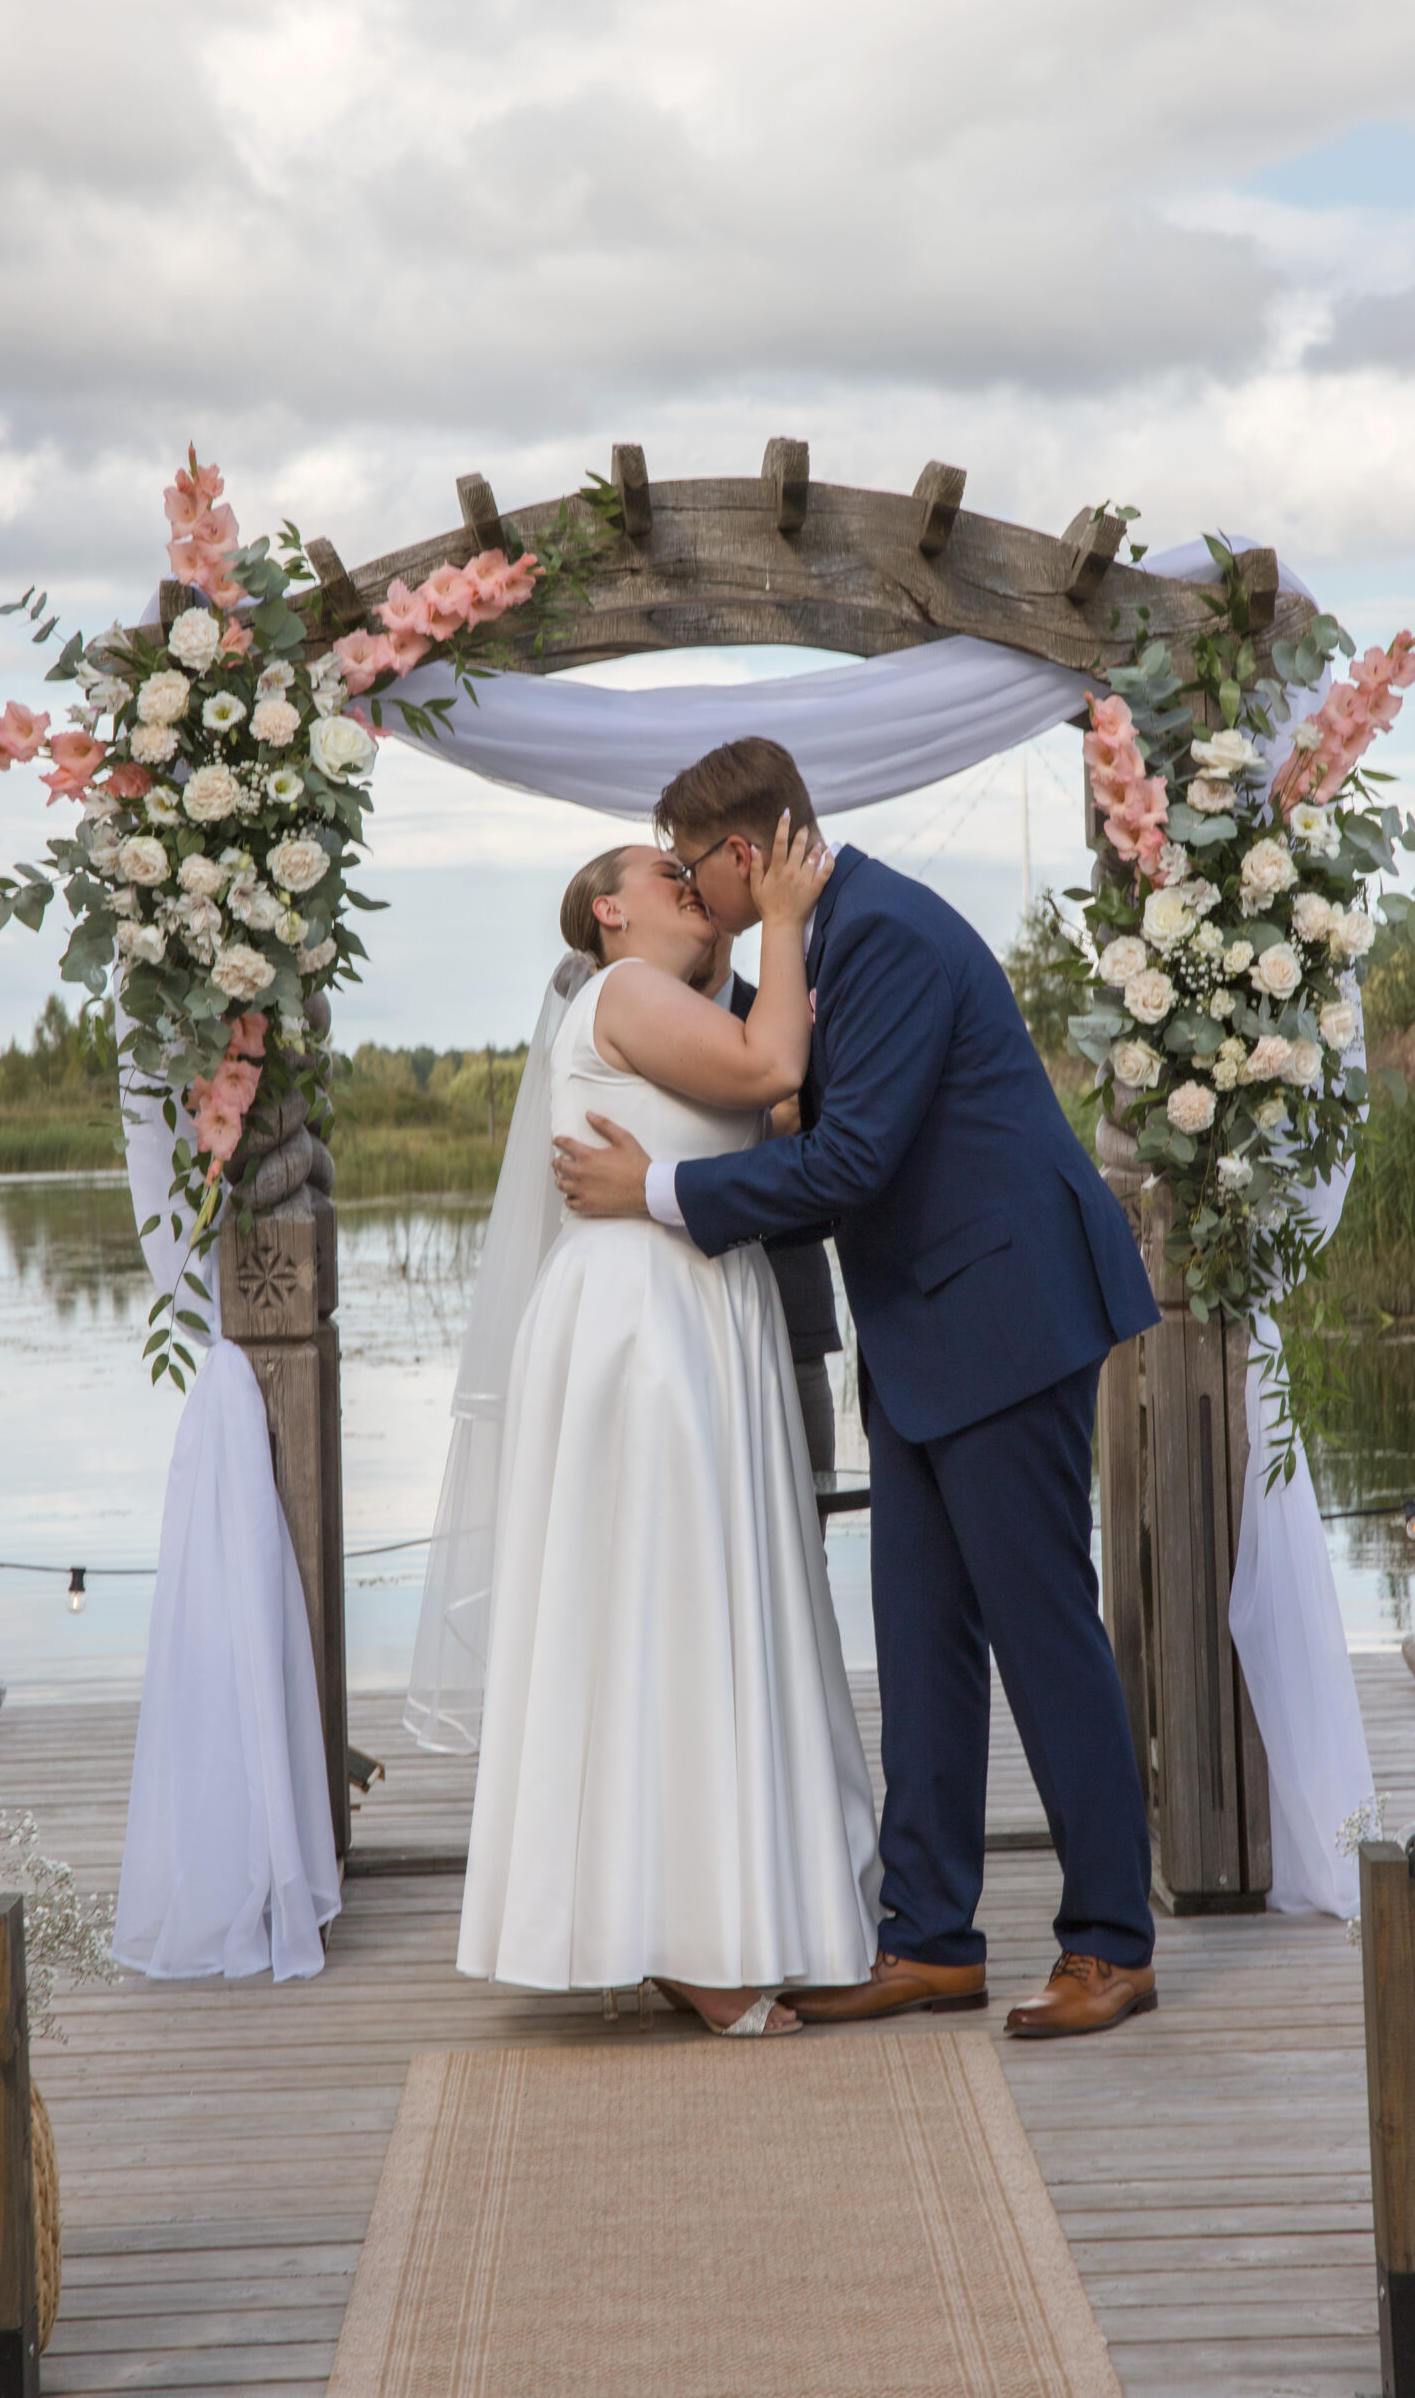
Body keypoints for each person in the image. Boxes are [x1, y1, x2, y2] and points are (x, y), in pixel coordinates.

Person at [552, 738, 1163, 2039]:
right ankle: (929, 1939)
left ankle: (1110, 1942)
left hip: (1004, 1315)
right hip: (925, 1332)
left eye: (692, 870)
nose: (692, 897)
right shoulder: (816, 945)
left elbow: (849, 1166)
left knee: (1041, 1631)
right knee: (921, 1635)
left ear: (743, 854)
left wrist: (651, 1190)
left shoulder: (879, 934)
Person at [457, 823, 880, 2038]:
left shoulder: (679, 1004)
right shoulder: (625, 990)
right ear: (609, 911)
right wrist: (783, 913)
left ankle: (698, 1911)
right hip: (642, 1328)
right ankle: (690, 1941)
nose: (686, 881)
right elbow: (768, 1066)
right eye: (662, 872)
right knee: (666, 1611)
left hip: (705, 1312)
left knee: (700, 1611)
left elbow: (775, 1116)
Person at [694, 926, 842, 1476]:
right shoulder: (640, 1025)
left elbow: (832, 1154)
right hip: (677, 1326)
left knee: (807, 1509)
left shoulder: (785, 1019)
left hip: (791, 1312)